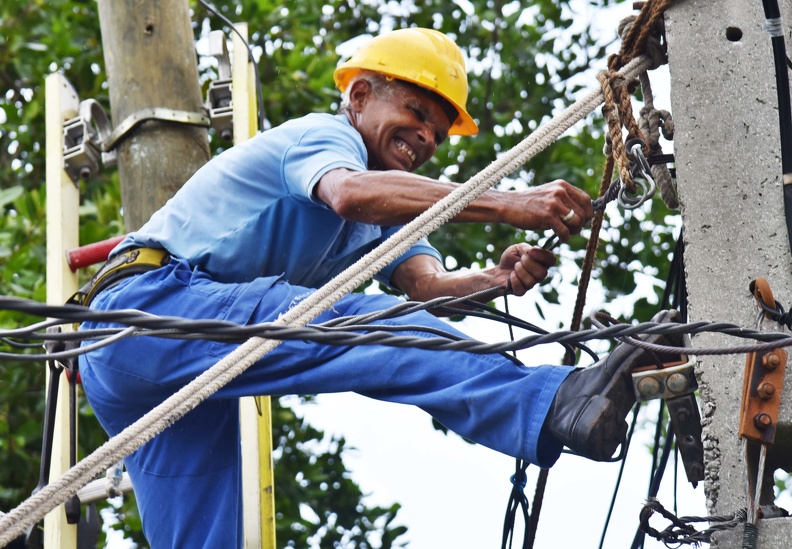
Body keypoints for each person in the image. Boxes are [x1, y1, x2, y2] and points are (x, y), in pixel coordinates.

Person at [77, 28, 677, 547]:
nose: (425, 140)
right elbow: (347, 193)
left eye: (437, 135)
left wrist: (497, 279)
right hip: (147, 307)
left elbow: (428, 290)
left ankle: (551, 406)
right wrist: (507, 203)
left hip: (166, 369)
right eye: (416, 114)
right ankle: (552, 405)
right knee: (370, 325)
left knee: (206, 536)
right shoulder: (324, 139)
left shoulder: (386, 207)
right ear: (360, 96)